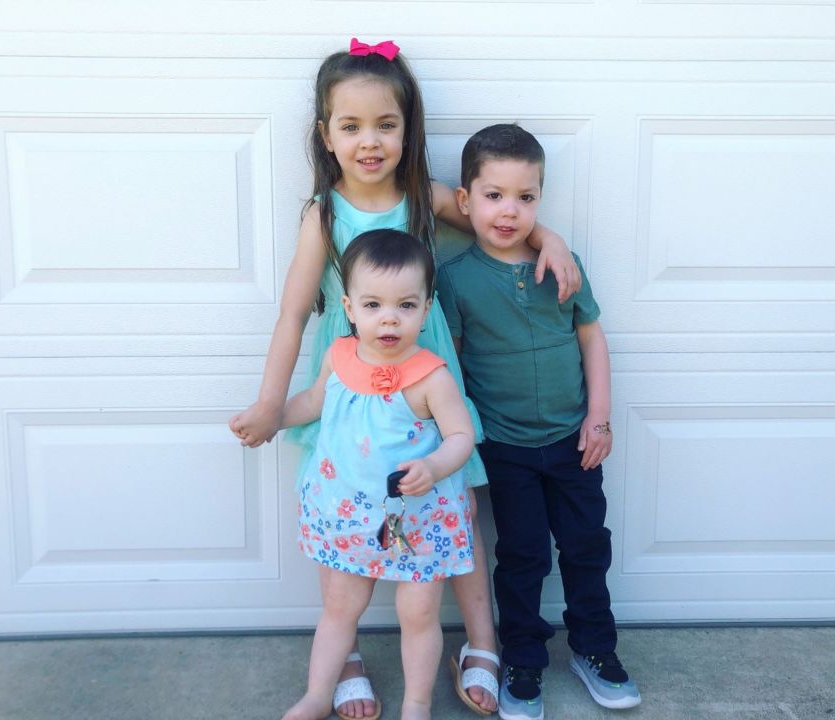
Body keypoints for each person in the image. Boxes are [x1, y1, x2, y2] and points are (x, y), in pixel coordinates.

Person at [229, 39, 581, 717]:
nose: (370, 141)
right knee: (347, 513)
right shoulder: (323, 214)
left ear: (407, 130)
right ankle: (346, 653)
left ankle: (481, 641)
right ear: (325, 135)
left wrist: (551, 241)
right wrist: (272, 402)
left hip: (424, 381)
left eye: (386, 125)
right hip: (351, 383)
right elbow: (294, 313)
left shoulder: (423, 197)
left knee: (455, 508)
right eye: (351, 125)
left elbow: (499, 218)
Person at [436, 124, 642, 720]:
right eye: (495, 195)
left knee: (586, 548)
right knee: (523, 556)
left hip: (574, 440)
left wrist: (599, 419)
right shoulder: (455, 279)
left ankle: (594, 649)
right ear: (466, 200)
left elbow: (591, 337)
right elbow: (449, 363)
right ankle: (522, 660)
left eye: (526, 197)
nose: (510, 210)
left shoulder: (562, 263)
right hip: (506, 447)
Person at [276, 229, 476, 720]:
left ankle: (417, 703)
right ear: (349, 307)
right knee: (340, 608)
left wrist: (433, 465)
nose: (389, 318)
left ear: (426, 309)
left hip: (416, 519)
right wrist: (272, 415)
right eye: (373, 305)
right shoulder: (339, 359)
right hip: (346, 512)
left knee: (419, 613)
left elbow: (461, 438)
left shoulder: (432, 376)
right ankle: (319, 694)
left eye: (406, 306)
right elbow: (311, 403)